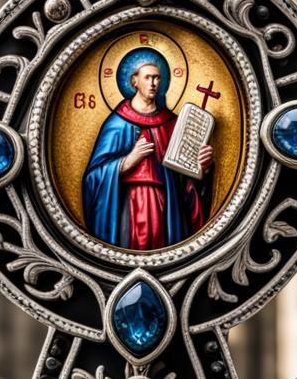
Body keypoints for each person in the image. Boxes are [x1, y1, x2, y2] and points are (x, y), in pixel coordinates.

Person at [83, 50, 213, 250]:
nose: (153, 83)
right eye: (148, 77)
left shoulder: (171, 123)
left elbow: (185, 180)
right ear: (134, 81)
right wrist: (128, 161)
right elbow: (93, 177)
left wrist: (201, 168)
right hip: (128, 204)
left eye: (157, 78)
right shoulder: (117, 123)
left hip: (166, 205)